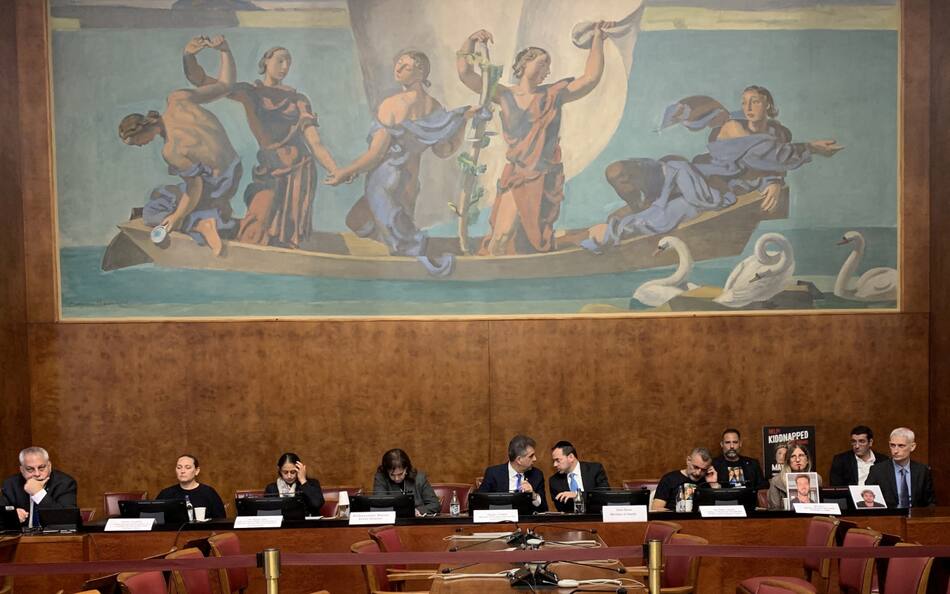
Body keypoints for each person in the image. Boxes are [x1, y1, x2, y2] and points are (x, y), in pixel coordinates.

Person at [585, 85, 842, 252]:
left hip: (709, 190)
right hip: (699, 178)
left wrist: (775, 177)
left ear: (769, 106)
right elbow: (767, 158)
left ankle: (613, 231)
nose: (748, 107)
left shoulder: (776, 135)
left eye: (755, 102)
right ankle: (629, 212)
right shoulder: (733, 125)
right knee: (637, 171)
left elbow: (770, 158)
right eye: (744, 102)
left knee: (671, 206)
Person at [458, 24, 611, 255]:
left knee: (531, 238)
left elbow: (590, 78)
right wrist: (470, 40)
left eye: (548, 66)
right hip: (518, 174)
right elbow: (465, 74)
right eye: (542, 63)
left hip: (543, 176)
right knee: (501, 236)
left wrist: (598, 40)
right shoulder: (503, 94)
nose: (547, 71)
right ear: (524, 63)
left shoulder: (552, 95)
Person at [327, 50, 478, 275]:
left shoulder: (392, 105)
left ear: (420, 72)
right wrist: (463, 122)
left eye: (405, 66)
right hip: (409, 183)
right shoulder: (435, 107)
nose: (397, 69)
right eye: (397, 64)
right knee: (359, 219)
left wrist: (345, 171)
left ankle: (420, 261)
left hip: (384, 181)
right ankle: (403, 251)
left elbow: (375, 155)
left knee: (402, 244)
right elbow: (444, 150)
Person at [184, 44, 340, 248]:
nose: (285, 66)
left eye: (289, 62)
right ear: (265, 61)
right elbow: (203, 81)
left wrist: (335, 169)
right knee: (257, 217)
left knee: (287, 234)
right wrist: (189, 55)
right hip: (270, 167)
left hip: (299, 171)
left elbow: (314, 141)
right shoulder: (251, 94)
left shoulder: (298, 100)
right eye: (280, 60)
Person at [118, 35, 242, 257]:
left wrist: (176, 218)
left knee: (153, 211)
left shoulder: (171, 150)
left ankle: (201, 224)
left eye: (136, 143)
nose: (139, 146)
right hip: (234, 170)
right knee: (168, 193)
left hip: (216, 184)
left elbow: (195, 189)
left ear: (142, 130)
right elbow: (226, 85)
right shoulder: (178, 99)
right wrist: (224, 50)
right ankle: (213, 214)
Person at [0, 447, 77, 527]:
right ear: (22, 469)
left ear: (49, 466)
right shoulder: (11, 484)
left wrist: (38, 493)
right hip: (23, 538)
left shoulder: (65, 483)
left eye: (41, 468)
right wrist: (12, 516)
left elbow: (68, 520)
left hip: (53, 537)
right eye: (30, 469)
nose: (37, 474)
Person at [865, 427, 936, 508]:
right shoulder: (877, 471)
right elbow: (867, 501)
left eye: (901, 446)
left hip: (915, 517)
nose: (895, 451)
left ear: (912, 447)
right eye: (892, 445)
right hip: (888, 517)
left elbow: (930, 502)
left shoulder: (922, 471)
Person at [478, 434, 548, 512]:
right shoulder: (494, 474)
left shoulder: (537, 475)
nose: (535, 459)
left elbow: (544, 510)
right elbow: (479, 503)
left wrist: (534, 496)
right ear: (519, 460)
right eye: (531, 456)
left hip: (526, 523)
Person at [372, 448, 441, 516]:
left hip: (417, 522)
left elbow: (435, 505)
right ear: (387, 471)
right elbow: (379, 504)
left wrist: (418, 510)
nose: (396, 478)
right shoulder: (381, 478)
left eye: (400, 474)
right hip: (393, 522)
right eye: (392, 475)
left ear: (406, 469)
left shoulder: (419, 478)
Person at [156, 454, 226, 519]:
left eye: (188, 467)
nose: (182, 471)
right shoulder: (166, 494)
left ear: (197, 471)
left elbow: (221, 520)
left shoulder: (209, 492)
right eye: (179, 467)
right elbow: (153, 520)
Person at [548, 441, 610, 513]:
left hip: (596, 519)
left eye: (557, 460)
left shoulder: (594, 469)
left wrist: (578, 496)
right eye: (554, 461)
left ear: (571, 457)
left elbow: (604, 496)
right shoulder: (554, 481)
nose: (554, 465)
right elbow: (562, 509)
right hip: (571, 522)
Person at [652, 447, 720, 511]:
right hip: (675, 521)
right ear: (688, 460)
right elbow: (656, 508)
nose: (698, 473)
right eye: (695, 467)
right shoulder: (669, 479)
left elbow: (719, 509)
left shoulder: (708, 482)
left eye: (703, 470)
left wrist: (713, 484)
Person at [767, 444, 823, 510]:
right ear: (788, 461)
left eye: (801, 455)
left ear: (807, 460)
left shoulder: (817, 479)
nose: (798, 459)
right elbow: (774, 510)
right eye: (793, 456)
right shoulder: (776, 481)